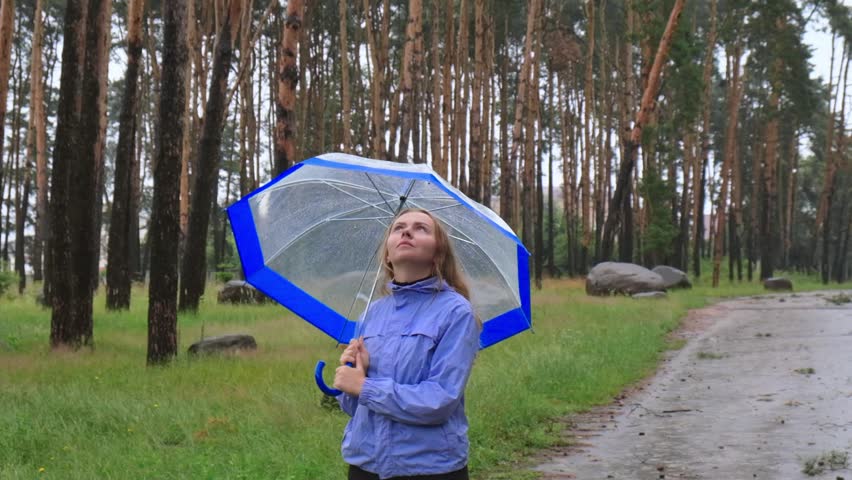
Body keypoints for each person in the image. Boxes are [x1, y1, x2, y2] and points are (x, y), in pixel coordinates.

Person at [332, 208, 481, 480]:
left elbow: (440, 400)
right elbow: (355, 409)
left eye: (421, 228)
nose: (407, 231)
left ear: (438, 254)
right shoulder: (372, 313)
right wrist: (352, 375)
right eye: (398, 227)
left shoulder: (456, 312)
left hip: (429, 467)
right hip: (365, 465)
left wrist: (364, 387)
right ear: (387, 254)